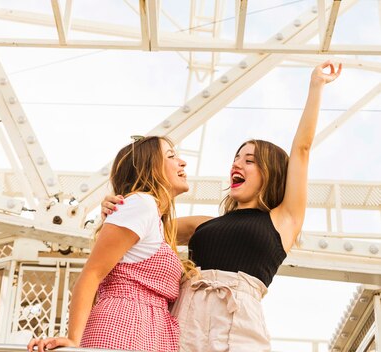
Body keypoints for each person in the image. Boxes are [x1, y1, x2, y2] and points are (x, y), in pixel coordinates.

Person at [100, 61, 342, 351]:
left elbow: (301, 150)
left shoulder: (284, 220)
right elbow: (145, 226)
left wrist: (316, 85)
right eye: (236, 158)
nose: (237, 164)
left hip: (238, 317)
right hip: (185, 313)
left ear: (273, 172)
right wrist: (115, 206)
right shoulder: (205, 224)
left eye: (250, 160)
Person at [27, 136, 192, 352]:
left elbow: (206, 226)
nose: (182, 162)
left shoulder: (154, 220)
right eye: (171, 156)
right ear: (149, 167)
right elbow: (91, 274)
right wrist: (73, 341)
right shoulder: (141, 204)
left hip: (146, 332)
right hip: (123, 328)